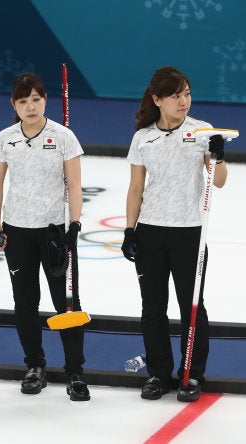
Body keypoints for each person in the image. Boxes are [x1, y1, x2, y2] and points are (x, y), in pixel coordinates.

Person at [122, 66, 227, 402]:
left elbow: (220, 180)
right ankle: (157, 373)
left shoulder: (202, 131)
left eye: (187, 93)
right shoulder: (143, 138)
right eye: (176, 95)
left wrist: (219, 157)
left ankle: (191, 375)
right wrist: (129, 229)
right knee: (152, 307)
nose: (184, 101)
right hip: (151, 232)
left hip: (189, 233)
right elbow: (136, 187)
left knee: (192, 307)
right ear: (157, 100)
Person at [0, 72, 89, 401]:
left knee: (66, 303)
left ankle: (75, 371)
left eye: (36, 99)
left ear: (45, 100)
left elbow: (74, 184)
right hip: (17, 231)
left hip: (54, 232)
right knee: (25, 303)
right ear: (13, 105)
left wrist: (74, 224)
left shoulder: (63, 137)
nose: (30, 107)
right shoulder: (5, 138)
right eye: (22, 101)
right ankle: (35, 366)